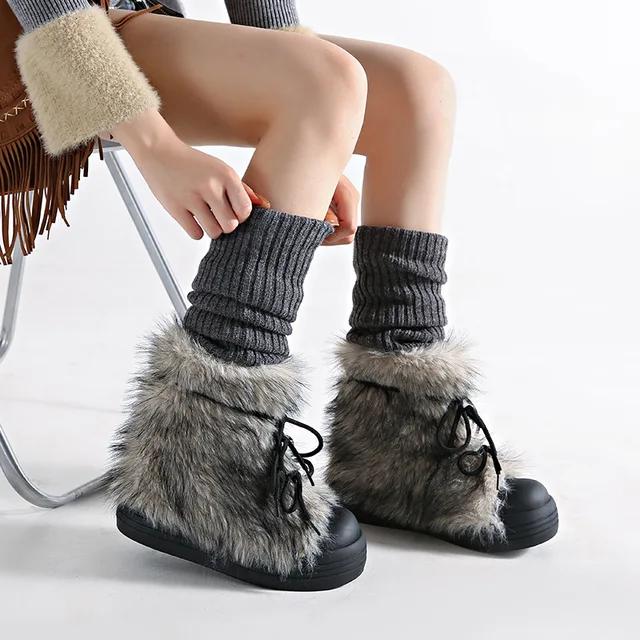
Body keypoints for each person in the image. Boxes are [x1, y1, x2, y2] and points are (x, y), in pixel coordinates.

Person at [7, 0, 558, 590]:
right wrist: (156, 147)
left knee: (416, 88)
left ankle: (398, 439)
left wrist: (324, 138)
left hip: (124, 23)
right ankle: (197, 458)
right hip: (40, 41)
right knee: (323, 79)